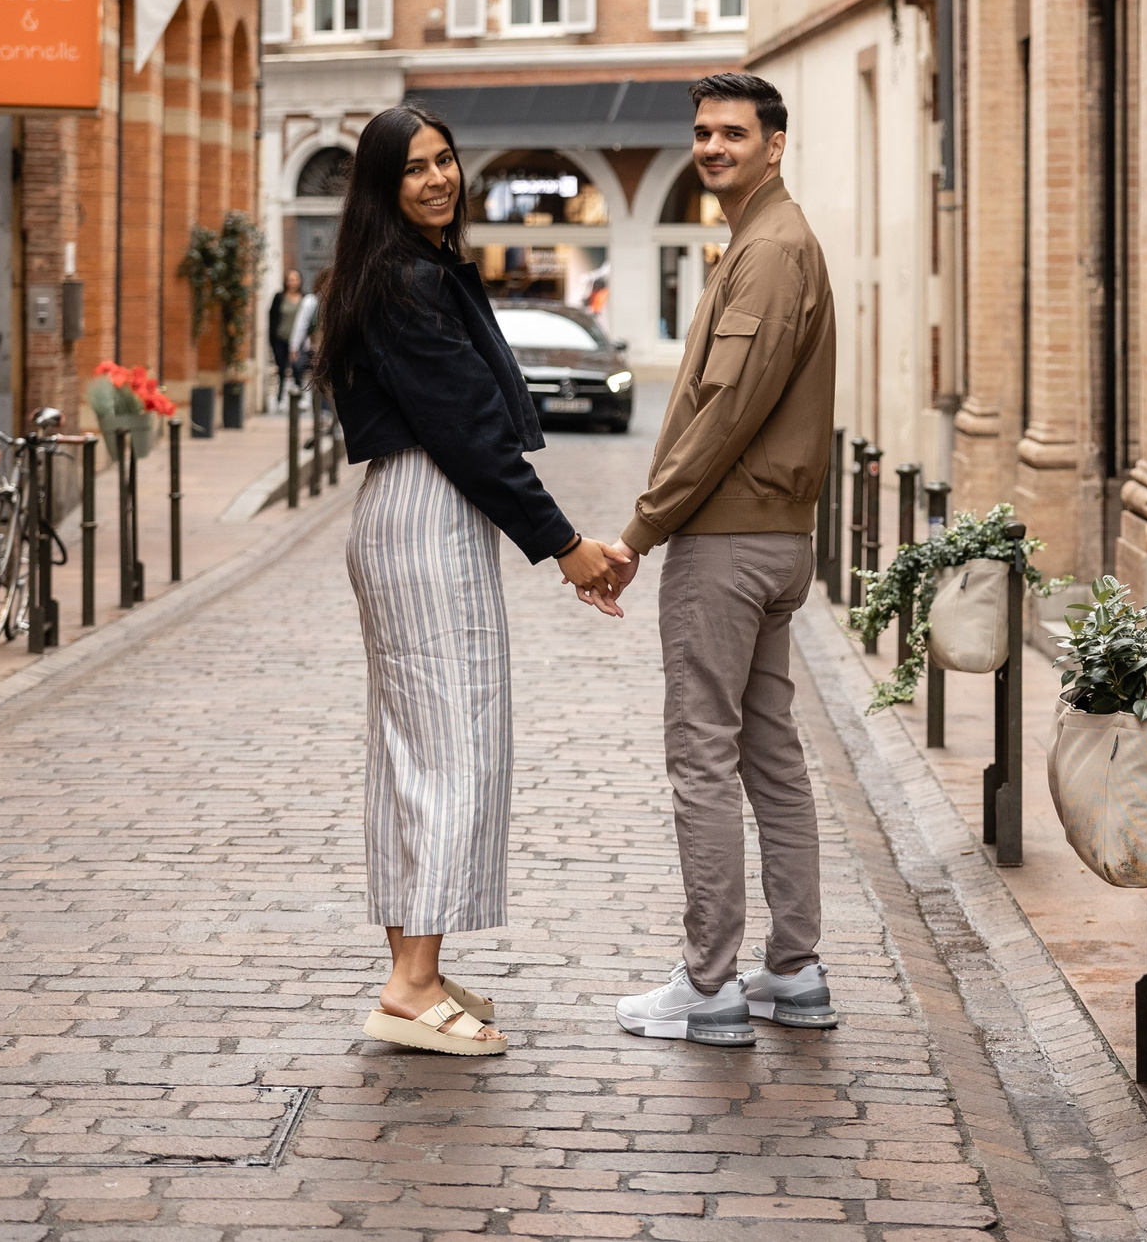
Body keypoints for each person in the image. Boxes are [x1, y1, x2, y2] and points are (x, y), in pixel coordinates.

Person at [320, 104, 629, 1057]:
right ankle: (409, 987)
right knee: (448, 746)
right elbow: (468, 431)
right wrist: (564, 542)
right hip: (426, 503)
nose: (437, 178)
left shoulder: (412, 268)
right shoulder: (404, 280)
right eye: (413, 168)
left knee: (422, 747)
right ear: (382, 183)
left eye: (445, 160)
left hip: (418, 505)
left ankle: (418, 964)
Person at [591, 73, 839, 1048]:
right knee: (769, 753)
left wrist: (640, 532)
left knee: (703, 756)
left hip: (729, 545)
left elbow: (723, 412)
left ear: (775, 145)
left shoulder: (771, 249)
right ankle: (792, 970)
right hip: (770, 541)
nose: (713, 146)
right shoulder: (760, 241)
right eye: (702, 132)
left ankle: (710, 983)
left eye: (733, 132)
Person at [269, 268, 306, 388]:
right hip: (280, 338)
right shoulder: (279, 297)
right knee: (281, 368)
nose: (293, 282)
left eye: (295, 279)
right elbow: (272, 317)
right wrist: (272, 339)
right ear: (285, 281)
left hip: (298, 340)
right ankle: (280, 396)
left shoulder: (305, 298)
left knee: (297, 368)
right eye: (290, 280)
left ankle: (298, 392)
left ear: (300, 281)